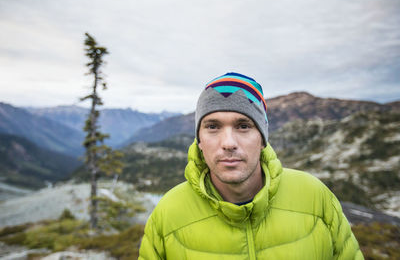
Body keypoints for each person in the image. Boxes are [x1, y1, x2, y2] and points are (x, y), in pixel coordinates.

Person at [139, 72, 363, 259]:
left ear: (262, 138)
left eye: (244, 126)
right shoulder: (168, 212)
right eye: (213, 126)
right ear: (199, 140)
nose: (228, 143)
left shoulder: (315, 196)